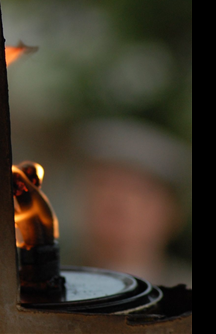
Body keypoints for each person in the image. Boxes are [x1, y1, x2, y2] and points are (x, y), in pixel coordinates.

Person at [73, 118, 191, 288]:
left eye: (137, 190)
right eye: (103, 184)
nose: (117, 200)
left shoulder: (185, 297)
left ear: (172, 213)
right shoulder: (40, 286)